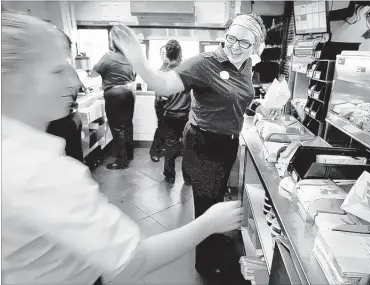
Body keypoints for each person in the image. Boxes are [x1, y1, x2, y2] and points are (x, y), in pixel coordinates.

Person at [2, 11, 244, 285]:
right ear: (11, 80)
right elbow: (133, 260)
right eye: (57, 70)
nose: (74, 83)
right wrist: (210, 222)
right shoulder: (42, 175)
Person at [112, 13, 281, 279]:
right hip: (204, 142)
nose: (235, 46)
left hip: (227, 143)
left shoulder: (246, 64)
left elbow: (239, 95)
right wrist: (138, 59)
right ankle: (205, 264)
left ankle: (212, 248)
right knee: (206, 206)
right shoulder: (204, 64)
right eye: (231, 38)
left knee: (213, 200)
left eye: (244, 43)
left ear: (256, 46)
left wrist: (257, 105)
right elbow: (164, 85)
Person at [91, 26, 137, 170]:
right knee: (128, 125)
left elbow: (93, 73)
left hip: (114, 94)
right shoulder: (132, 57)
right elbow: (134, 75)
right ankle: (129, 155)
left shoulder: (108, 56)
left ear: (113, 40)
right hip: (129, 92)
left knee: (117, 128)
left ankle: (121, 161)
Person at [46, 29, 84, 162]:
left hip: (59, 122)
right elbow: (76, 89)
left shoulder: (49, 68)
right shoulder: (68, 67)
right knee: (75, 158)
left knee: (61, 161)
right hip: (72, 117)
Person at [160, 40, 192, 184]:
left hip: (169, 114)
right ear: (180, 54)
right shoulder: (186, 71)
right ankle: (187, 177)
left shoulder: (163, 73)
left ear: (167, 54)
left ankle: (170, 175)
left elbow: (161, 98)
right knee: (187, 146)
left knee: (170, 144)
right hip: (185, 115)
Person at [149, 45, 170, 162]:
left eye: (167, 52)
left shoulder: (176, 69)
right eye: (162, 53)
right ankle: (155, 151)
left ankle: (165, 149)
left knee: (170, 128)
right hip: (161, 103)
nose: (165, 55)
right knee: (162, 127)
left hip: (172, 104)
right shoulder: (159, 71)